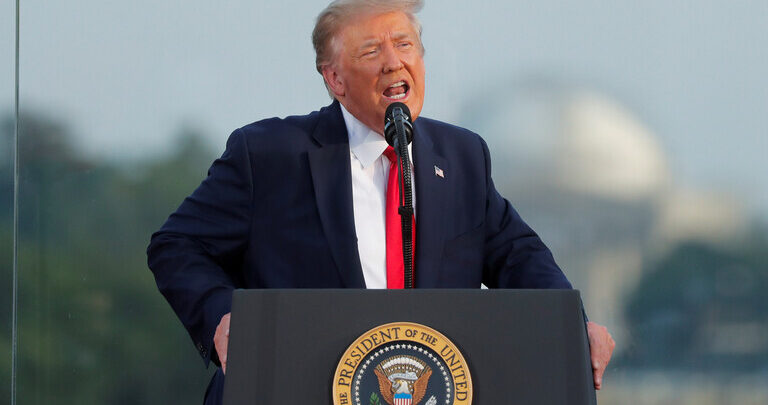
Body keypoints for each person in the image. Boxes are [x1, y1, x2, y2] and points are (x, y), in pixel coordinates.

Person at [147, 1, 615, 404]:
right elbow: (177, 245)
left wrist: (573, 325)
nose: (394, 63)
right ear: (335, 79)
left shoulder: (461, 157)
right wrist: (223, 320)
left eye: (404, 44)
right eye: (372, 51)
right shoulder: (270, 155)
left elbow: (519, 256)